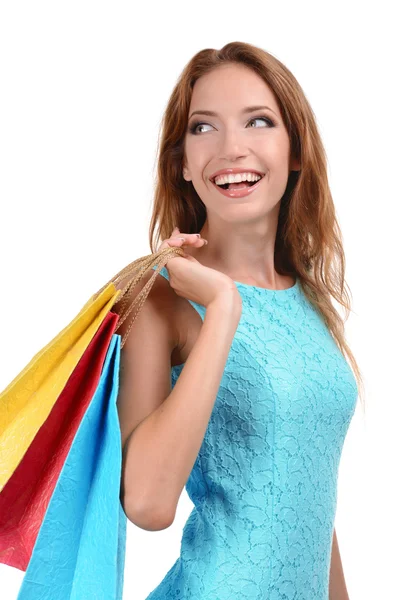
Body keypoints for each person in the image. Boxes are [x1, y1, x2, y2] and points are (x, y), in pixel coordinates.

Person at [115, 41, 364, 600]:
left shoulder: (312, 299)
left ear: (295, 150)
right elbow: (148, 505)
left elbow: (309, 499)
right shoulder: (159, 297)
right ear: (180, 161)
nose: (232, 148)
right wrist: (223, 308)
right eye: (203, 128)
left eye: (259, 121)